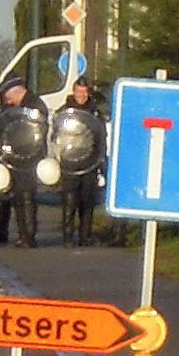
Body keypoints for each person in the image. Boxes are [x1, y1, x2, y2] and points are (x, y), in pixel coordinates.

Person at [0, 77, 48, 248]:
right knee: (9, 195)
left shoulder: (36, 105)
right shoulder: (11, 108)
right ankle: (11, 233)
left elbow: (38, 127)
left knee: (26, 196)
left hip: (29, 156)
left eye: (9, 98)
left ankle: (28, 236)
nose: (8, 101)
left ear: (17, 93)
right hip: (13, 156)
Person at [54, 77, 108, 246]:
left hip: (89, 163)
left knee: (87, 201)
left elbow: (102, 137)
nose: (81, 95)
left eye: (84, 92)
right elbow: (54, 136)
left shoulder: (95, 112)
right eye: (78, 91)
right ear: (73, 91)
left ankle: (85, 236)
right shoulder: (64, 111)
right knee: (69, 200)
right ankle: (68, 236)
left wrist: (100, 159)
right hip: (70, 163)